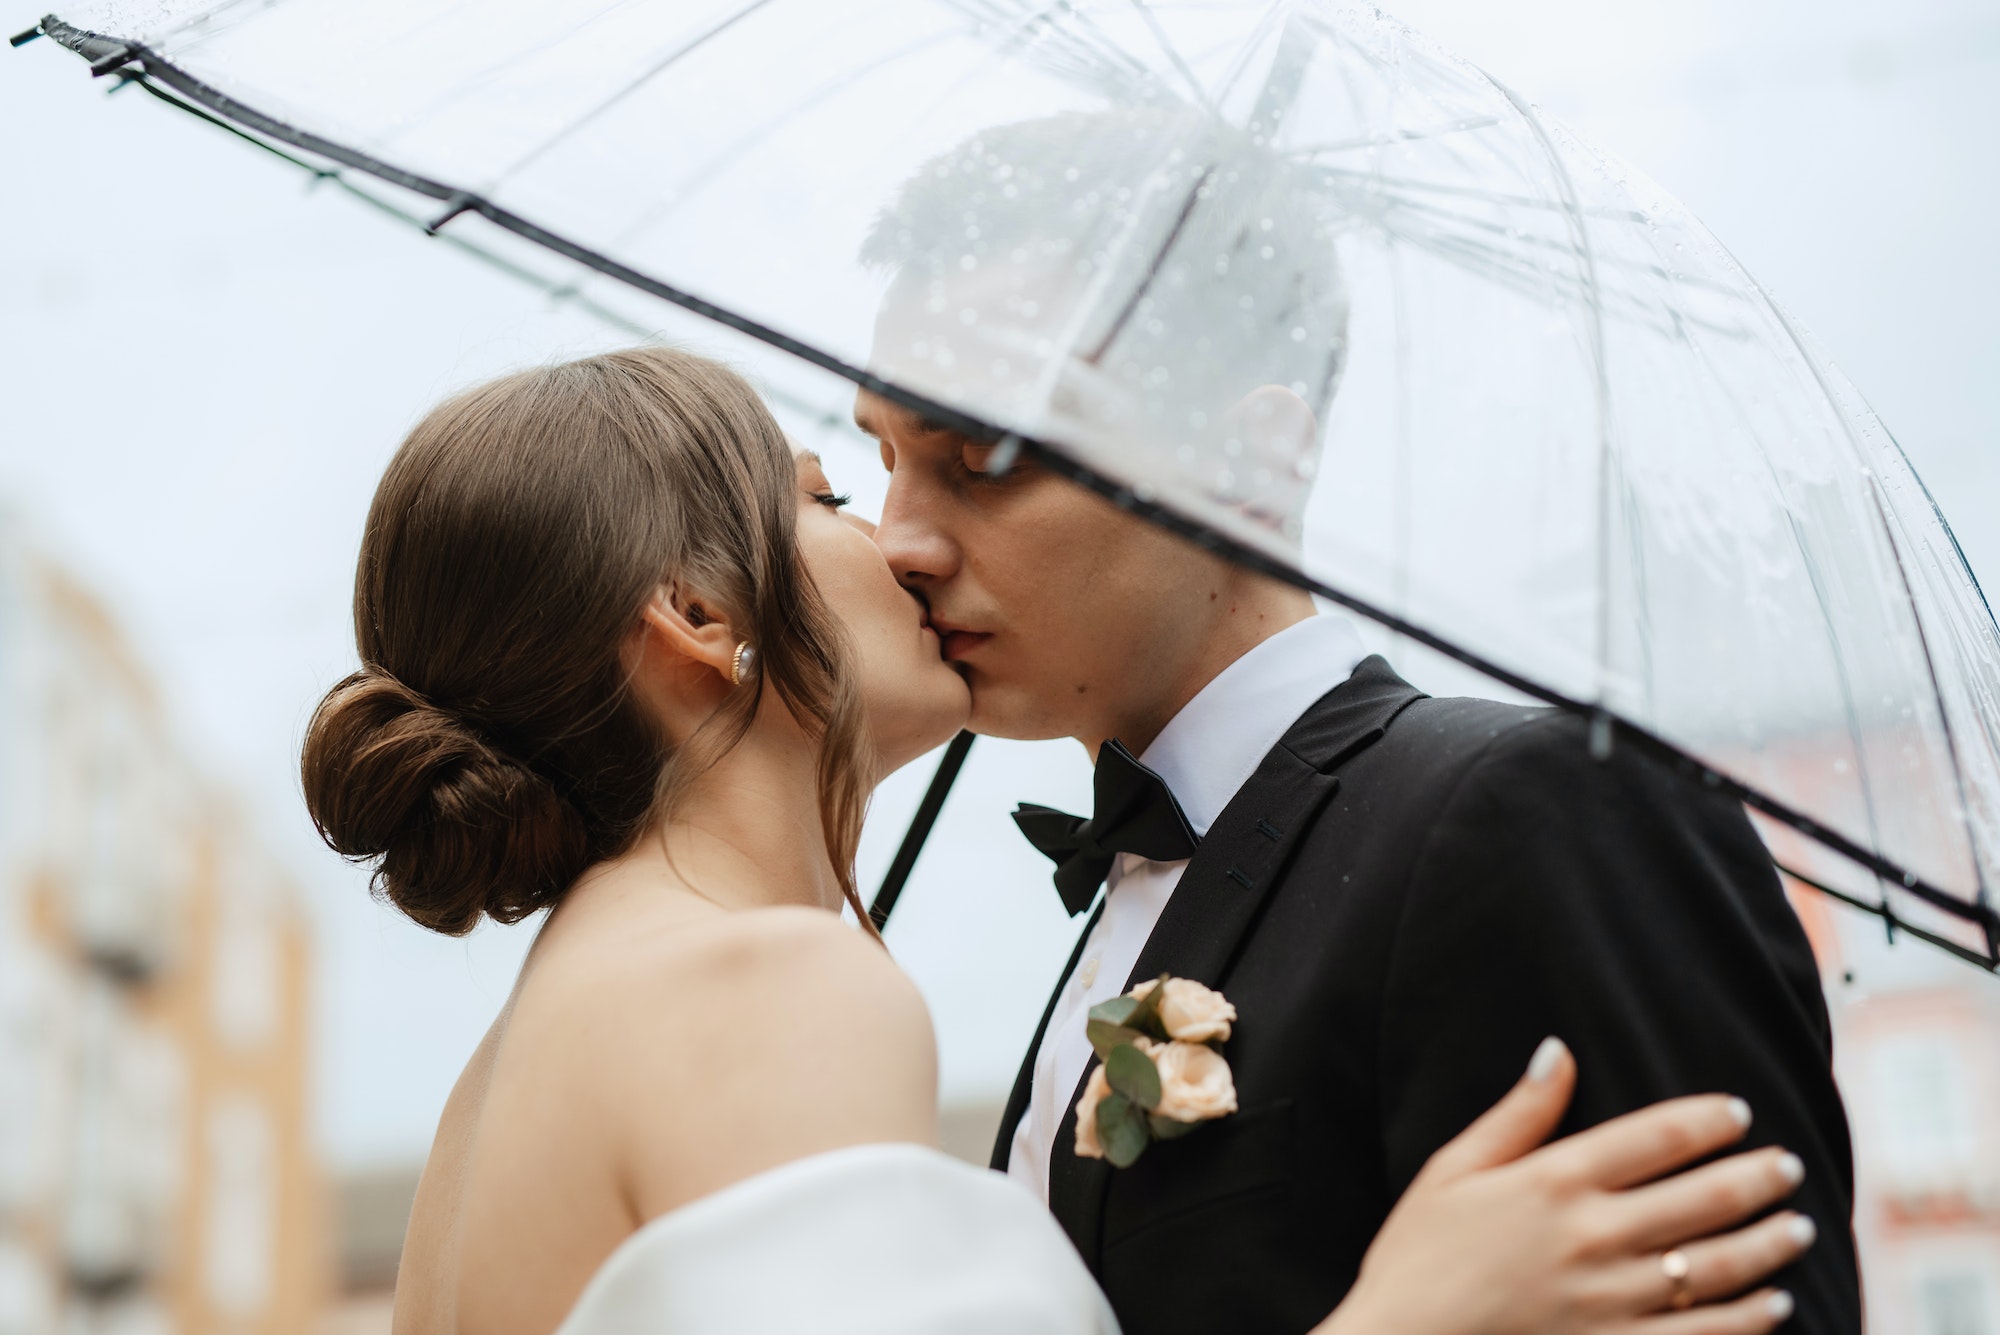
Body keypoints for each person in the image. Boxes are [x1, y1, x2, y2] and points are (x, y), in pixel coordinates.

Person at [301, 347, 1815, 1335]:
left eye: (959, 466)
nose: (896, 540)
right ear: (698, 619)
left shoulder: (505, 1082)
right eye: (833, 490)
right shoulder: (760, 986)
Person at [854, 110, 1863, 1334]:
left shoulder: (1528, 812)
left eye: (984, 455)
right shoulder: (1122, 901)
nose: (898, 539)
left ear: (1253, 459)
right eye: (880, 458)